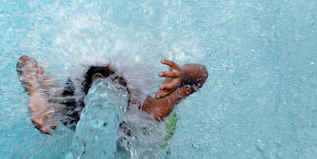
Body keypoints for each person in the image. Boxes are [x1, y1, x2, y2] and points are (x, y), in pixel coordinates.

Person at [16, 55, 208, 135]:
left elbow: (200, 76)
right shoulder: (70, 108)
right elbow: (26, 62)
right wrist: (36, 94)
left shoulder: (148, 113)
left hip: (154, 133)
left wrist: (181, 74)